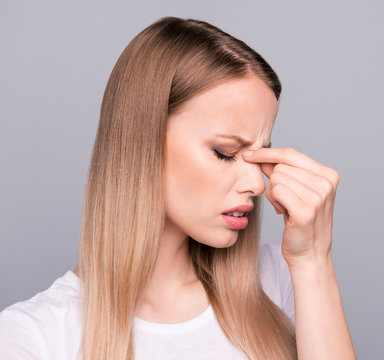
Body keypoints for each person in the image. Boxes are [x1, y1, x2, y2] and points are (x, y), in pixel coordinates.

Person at [0, 16, 356, 359]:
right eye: (225, 152)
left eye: (259, 156)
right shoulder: (35, 336)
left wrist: (313, 260)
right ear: (144, 142)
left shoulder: (282, 282)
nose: (256, 185)